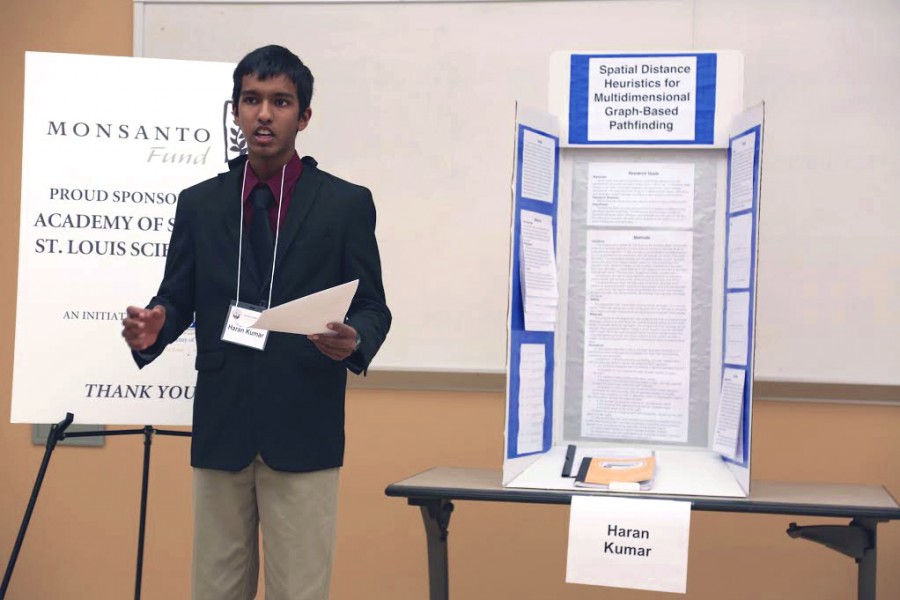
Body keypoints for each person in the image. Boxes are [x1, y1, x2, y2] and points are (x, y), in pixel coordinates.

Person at [121, 45, 391, 600]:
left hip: (304, 424)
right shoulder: (199, 204)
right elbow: (177, 296)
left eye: (280, 101)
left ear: (304, 116)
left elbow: (373, 308)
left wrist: (354, 337)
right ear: (236, 111)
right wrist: (158, 323)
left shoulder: (344, 204)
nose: (264, 113)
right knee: (215, 589)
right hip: (223, 427)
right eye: (252, 100)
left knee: (300, 590)